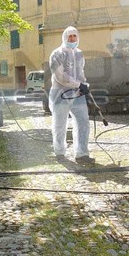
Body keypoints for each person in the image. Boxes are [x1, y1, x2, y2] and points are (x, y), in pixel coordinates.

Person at [48, 26, 94, 164]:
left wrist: (85, 85)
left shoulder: (79, 53)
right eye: (70, 36)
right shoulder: (56, 54)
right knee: (59, 124)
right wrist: (78, 84)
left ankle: (82, 153)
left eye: (74, 36)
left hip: (78, 94)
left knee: (83, 122)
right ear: (65, 37)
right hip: (60, 94)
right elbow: (60, 76)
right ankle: (59, 152)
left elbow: (81, 73)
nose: (72, 39)